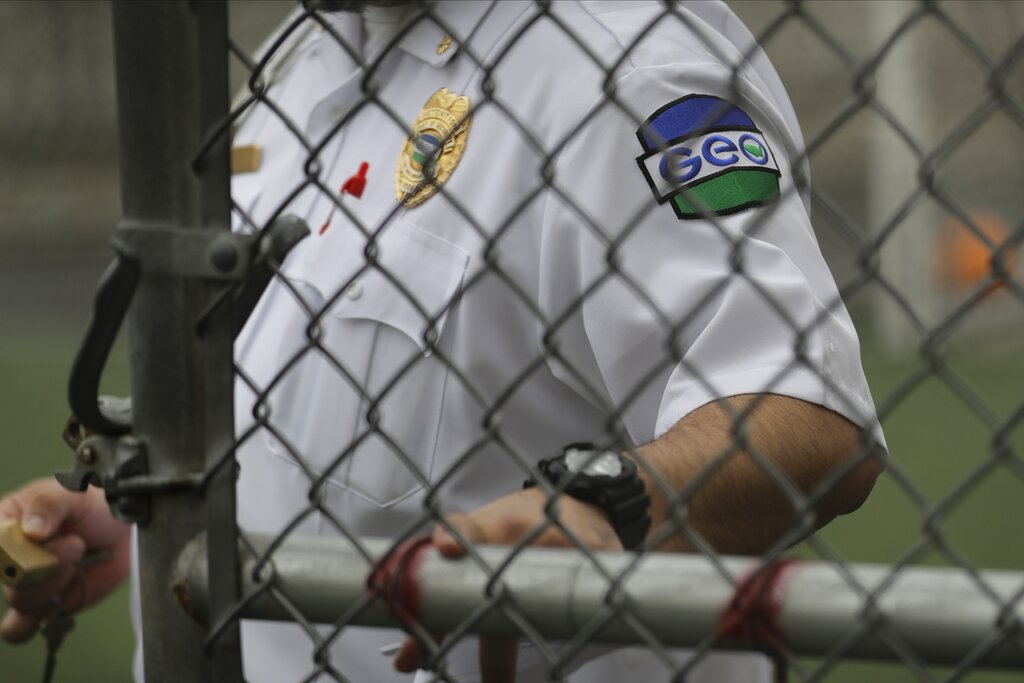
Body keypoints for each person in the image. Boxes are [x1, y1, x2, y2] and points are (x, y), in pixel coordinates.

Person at [2, 1, 886, 681]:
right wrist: (154, 525)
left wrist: (601, 506)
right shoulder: (300, 56)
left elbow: (810, 421)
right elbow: (314, 401)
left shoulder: (625, 61)